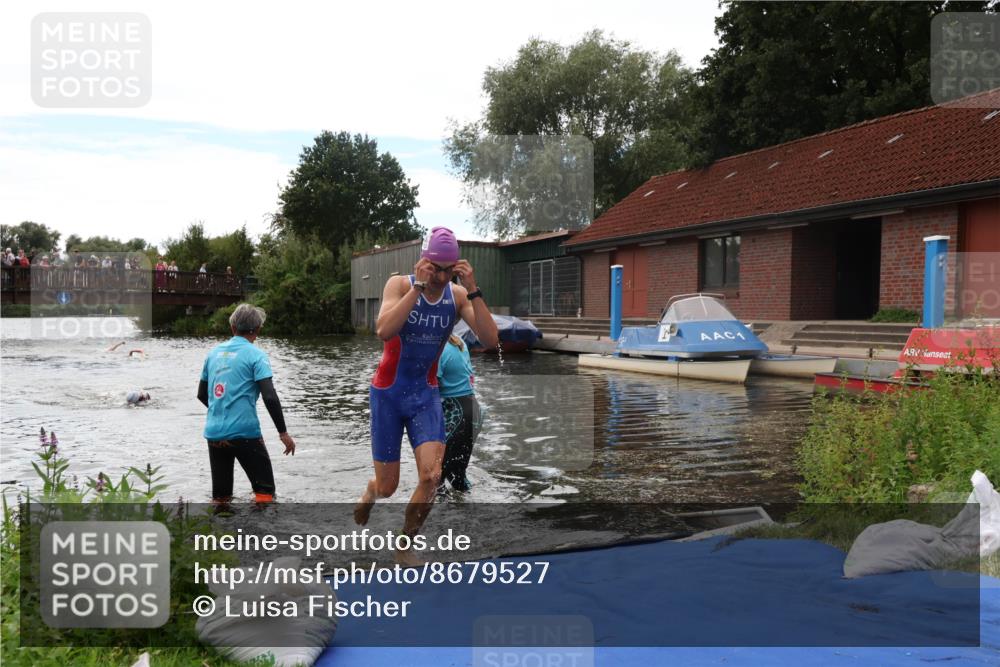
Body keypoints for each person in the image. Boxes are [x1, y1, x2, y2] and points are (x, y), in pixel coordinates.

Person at [354, 226, 499, 566]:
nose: (440, 276)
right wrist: (417, 289)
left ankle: (404, 543)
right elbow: (383, 330)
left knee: (432, 476)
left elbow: (491, 341)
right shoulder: (400, 285)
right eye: (434, 267)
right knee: (390, 487)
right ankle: (373, 489)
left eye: (448, 270)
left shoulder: (458, 296)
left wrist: (473, 289)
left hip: (425, 395)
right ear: (423, 261)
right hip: (388, 395)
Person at [197, 304, 295, 504]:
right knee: (265, 493)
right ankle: (259, 534)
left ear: (232, 327)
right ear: (257, 330)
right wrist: (283, 433)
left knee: (221, 497)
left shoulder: (213, 354)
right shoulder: (256, 355)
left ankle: (219, 533)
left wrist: (223, 412)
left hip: (214, 433)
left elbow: (201, 394)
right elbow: (269, 396)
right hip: (245, 433)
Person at [437, 334, 482, 492]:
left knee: (436, 479)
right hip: (472, 411)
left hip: (458, 415)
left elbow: (429, 388)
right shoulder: (458, 340)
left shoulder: (437, 348)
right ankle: (468, 512)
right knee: (457, 478)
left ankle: (440, 516)